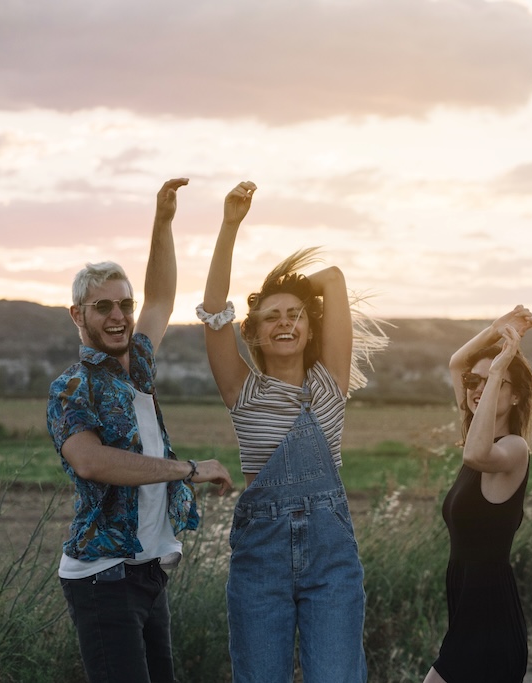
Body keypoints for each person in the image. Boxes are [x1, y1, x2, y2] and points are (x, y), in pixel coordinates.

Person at [197, 181, 387, 683]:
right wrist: (230, 226)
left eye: (294, 315)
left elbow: (334, 277)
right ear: (254, 333)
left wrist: (293, 285)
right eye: (271, 317)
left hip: (331, 559)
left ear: (309, 327)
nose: (284, 323)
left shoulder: (331, 383)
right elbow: (214, 312)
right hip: (260, 563)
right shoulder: (243, 390)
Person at [47, 178, 234, 683]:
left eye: (123, 305)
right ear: (77, 316)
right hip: (102, 577)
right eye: (102, 307)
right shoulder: (72, 389)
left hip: (148, 571)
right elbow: (93, 461)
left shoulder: (139, 366)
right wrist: (188, 470)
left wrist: (164, 221)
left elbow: (164, 295)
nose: (118, 316)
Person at [424, 306, 532, 683]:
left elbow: (475, 454)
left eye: (492, 383)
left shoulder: (513, 449)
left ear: (517, 397)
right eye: (475, 382)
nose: (476, 389)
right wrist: (495, 329)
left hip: (490, 619)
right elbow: (457, 363)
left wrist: (502, 365)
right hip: (468, 611)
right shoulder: (479, 432)